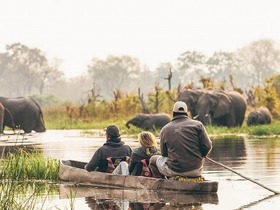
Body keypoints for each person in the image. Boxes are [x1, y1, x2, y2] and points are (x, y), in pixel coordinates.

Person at [149, 101, 212, 179]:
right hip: (196, 170)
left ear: (173, 113)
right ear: (186, 113)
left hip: (174, 170)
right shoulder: (198, 125)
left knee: (152, 160)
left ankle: (163, 183)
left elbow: (164, 154)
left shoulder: (165, 129)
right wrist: (202, 156)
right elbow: (207, 146)